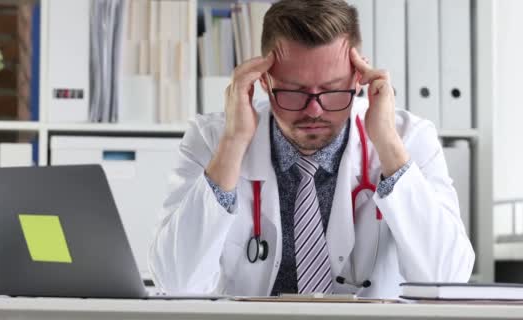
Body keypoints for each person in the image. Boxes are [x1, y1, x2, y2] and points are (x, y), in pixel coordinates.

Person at [148, 0, 474, 298]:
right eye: (293, 92)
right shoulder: (211, 140)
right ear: (263, 83)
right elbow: (176, 284)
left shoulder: (409, 139)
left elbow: (448, 280)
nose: (314, 111)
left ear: (359, 79)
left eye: (332, 92)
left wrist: (388, 145)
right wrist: (233, 144)